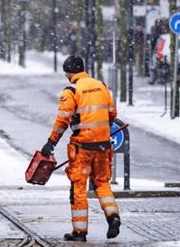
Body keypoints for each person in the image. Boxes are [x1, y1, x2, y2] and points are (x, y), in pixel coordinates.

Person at [40, 55, 121, 242]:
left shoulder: (71, 90)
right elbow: (112, 113)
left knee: (79, 186)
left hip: (82, 147)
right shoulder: (101, 85)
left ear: (68, 72)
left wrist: (51, 142)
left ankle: (79, 232)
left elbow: (62, 120)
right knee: (102, 182)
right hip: (103, 145)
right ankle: (113, 216)